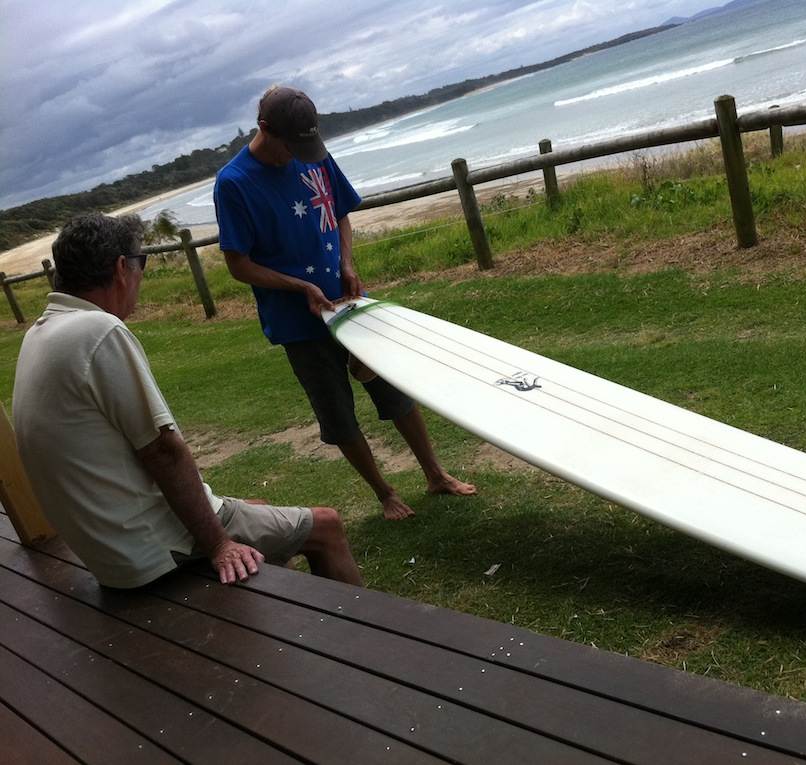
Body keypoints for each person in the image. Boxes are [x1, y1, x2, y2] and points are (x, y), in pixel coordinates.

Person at [12, 212, 362, 589]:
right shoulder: (98, 331)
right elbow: (163, 451)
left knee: (259, 510)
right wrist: (219, 544)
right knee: (327, 526)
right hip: (151, 550)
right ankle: (359, 624)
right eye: (141, 263)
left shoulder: (41, 335)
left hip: (109, 553)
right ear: (121, 268)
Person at [213, 85, 475, 521]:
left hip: (349, 303)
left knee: (392, 387)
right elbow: (238, 264)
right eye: (289, 147)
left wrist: (348, 263)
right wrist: (299, 287)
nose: (297, 156)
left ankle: (435, 474)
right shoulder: (234, 183)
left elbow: (340, 214)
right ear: (264, 128)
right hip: (298, 322)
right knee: (337, 411)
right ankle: (385, 493)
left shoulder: (311, 153)